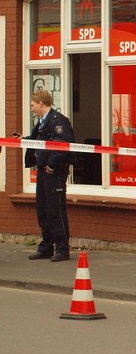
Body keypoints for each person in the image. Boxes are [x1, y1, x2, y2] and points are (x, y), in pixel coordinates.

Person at [23, 90, 75, 262]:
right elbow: (39, 140)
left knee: (55, 210)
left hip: (55, 173)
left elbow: (62, 144)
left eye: (32, 105)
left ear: (41, 103)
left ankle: (62, 248)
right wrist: (23, 139)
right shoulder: (42, 122)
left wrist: (52, 165)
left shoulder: (58, 121)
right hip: (43, 171)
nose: (31, 109)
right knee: (42, 209)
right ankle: (46, 246)